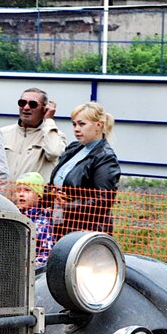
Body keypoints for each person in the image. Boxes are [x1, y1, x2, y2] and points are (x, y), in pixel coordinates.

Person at [47, 102, 121, 240]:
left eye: (82, 124)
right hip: (60, 224)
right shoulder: (74, 148)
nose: (76, 129)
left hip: (87, 230)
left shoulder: (105, 157)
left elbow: (104, 200)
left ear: (98, 125)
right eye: (74, 124)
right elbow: (57, 182)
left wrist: (68, 205)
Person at [2, 87, 66, 180]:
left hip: (35, 194)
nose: (26, 107)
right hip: (2, 194)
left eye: (33, 104)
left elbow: (53, 153)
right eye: (22, 103)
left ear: (44, 109)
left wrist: (48, 120)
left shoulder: (55, 135)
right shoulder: (2, 133)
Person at [12, 172, 54, 265]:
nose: (21, 194)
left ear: (38, 195)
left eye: (27, 190)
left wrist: (30, 266)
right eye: (18, 190)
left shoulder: (42, 222)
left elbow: (46, 254)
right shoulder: (13, 215)